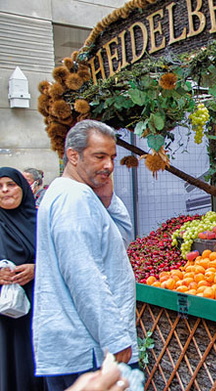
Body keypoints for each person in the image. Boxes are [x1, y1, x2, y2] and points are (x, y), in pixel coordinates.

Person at [33, 119, 138, 390]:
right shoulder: (74, 198)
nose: (109, 166)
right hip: (88, 347)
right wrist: (115, 338)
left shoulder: (78, 194)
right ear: (73, 155)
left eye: (113, 157)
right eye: (99, 156)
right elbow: (84, 274)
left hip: (86, 345)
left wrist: (107, 199)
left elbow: (120, 239)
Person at [0, 167, 44, 391]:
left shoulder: (41, 220)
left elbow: (62, 258)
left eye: (11, 184)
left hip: (40, 308)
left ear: (23, 188)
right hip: (4, 316)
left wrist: (37, 268)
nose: (5, 190)